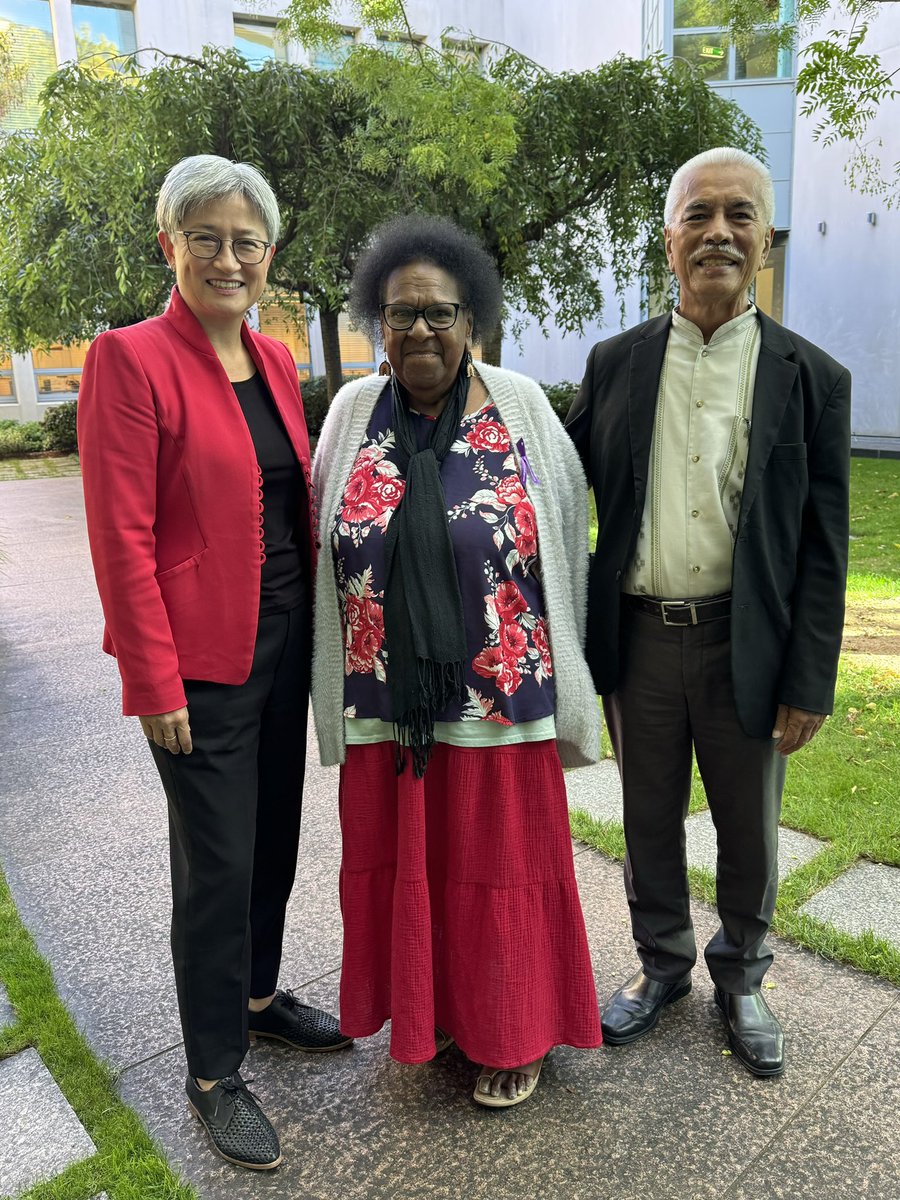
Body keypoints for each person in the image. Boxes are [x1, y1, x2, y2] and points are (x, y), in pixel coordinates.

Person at [78, 155, 350, 1172]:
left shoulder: (274, 361)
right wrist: (151, 680)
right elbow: (123, 537)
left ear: (267, 257)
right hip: (198, 667)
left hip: (283, 652)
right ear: (171, 246)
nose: (229, 258)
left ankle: (260, 997)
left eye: (247, 242)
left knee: (273, 836)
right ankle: (211, 1070)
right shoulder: (130, 359)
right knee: (216, 865)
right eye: (209, 238)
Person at [565, 147, 850, 1077]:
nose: (718, 232)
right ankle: (661, 969)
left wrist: (809, 677)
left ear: (764, 240)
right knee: (646, 819)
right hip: (640, 640)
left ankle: (743, 975)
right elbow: (555, 490)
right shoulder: (614, 365)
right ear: (669, 237)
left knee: (749, 828)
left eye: (739, 215)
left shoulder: (814, 377)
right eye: (699, 215)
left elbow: (824, 545)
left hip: (750, 643)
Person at [311, 214, 602, 1108]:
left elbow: (564, 538)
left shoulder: (520, 407)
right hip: (386, 705)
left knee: (497, 873)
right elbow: (321, 533)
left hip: (498, 703)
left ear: (472, 319)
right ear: (377, 325)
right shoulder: (353, 412)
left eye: (439, 313)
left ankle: (511, 1035)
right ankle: (429, 1013)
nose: (420, 332)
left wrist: (574, 673)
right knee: (409, 869)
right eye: (400, 315)